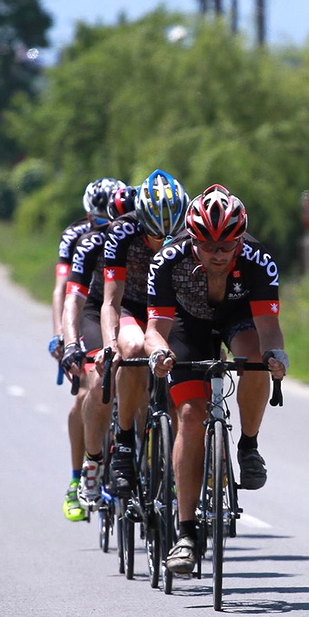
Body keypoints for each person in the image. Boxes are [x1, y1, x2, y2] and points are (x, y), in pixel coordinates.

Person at [143, 184, 289, 575]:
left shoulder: (259, 260)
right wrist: (158, 352)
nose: (219, 255)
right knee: (190, 415)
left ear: (241, 238)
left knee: (256, 357)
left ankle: (248, 445)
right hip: (186, 328)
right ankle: (186, 533)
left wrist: (277, 356)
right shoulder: (169, 260)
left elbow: (268, 327)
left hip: (236, 320)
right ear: (193, 239)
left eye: (228, 246)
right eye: (208, 247)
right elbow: (155, 326)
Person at [100, 170, 190, 495]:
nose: (162, 245)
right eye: (154, 237)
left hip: (173, 312)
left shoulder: (192, 232)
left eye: (171, 237)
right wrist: (111, 344)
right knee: (135, 349)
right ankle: (124, 442)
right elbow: (110, 300)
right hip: (133, 309)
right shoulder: (123, 232)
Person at [49, 177, 125, 521]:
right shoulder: (77, 236)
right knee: (84, 395)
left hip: (126, 308)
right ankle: (77, 477)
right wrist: (62, 339)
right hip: (90, 310)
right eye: (98, 220)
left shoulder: (133, 235)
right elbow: (63, 291)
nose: (105, 227)